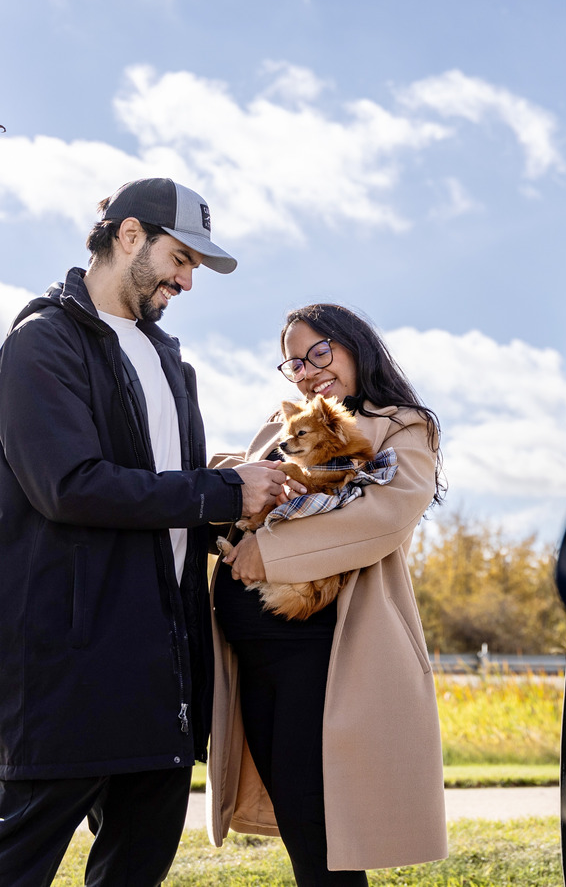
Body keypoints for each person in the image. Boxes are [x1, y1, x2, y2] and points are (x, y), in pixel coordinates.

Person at [0, 177, 293, 886]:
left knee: (135, 871)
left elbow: (168, 503)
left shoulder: (171, 362)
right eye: (182, 257)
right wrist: (220, 490)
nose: (187, 279)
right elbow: (70, 485)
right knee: (12, 867)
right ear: (131, 234)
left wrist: (239, 510)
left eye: (196, 266)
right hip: (69, 667)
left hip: (164, 673)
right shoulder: (40, 345)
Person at [206, 303, 449, 885]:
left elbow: (385, 515)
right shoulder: (284, 421)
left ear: (354, 346)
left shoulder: (401, 424)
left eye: (321, 352)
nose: (310, 369)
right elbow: (240, 489)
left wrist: (272, 552)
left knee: (322, 834)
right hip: (254, 654)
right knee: (300, 825)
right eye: (295, 362)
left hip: (321, 659)